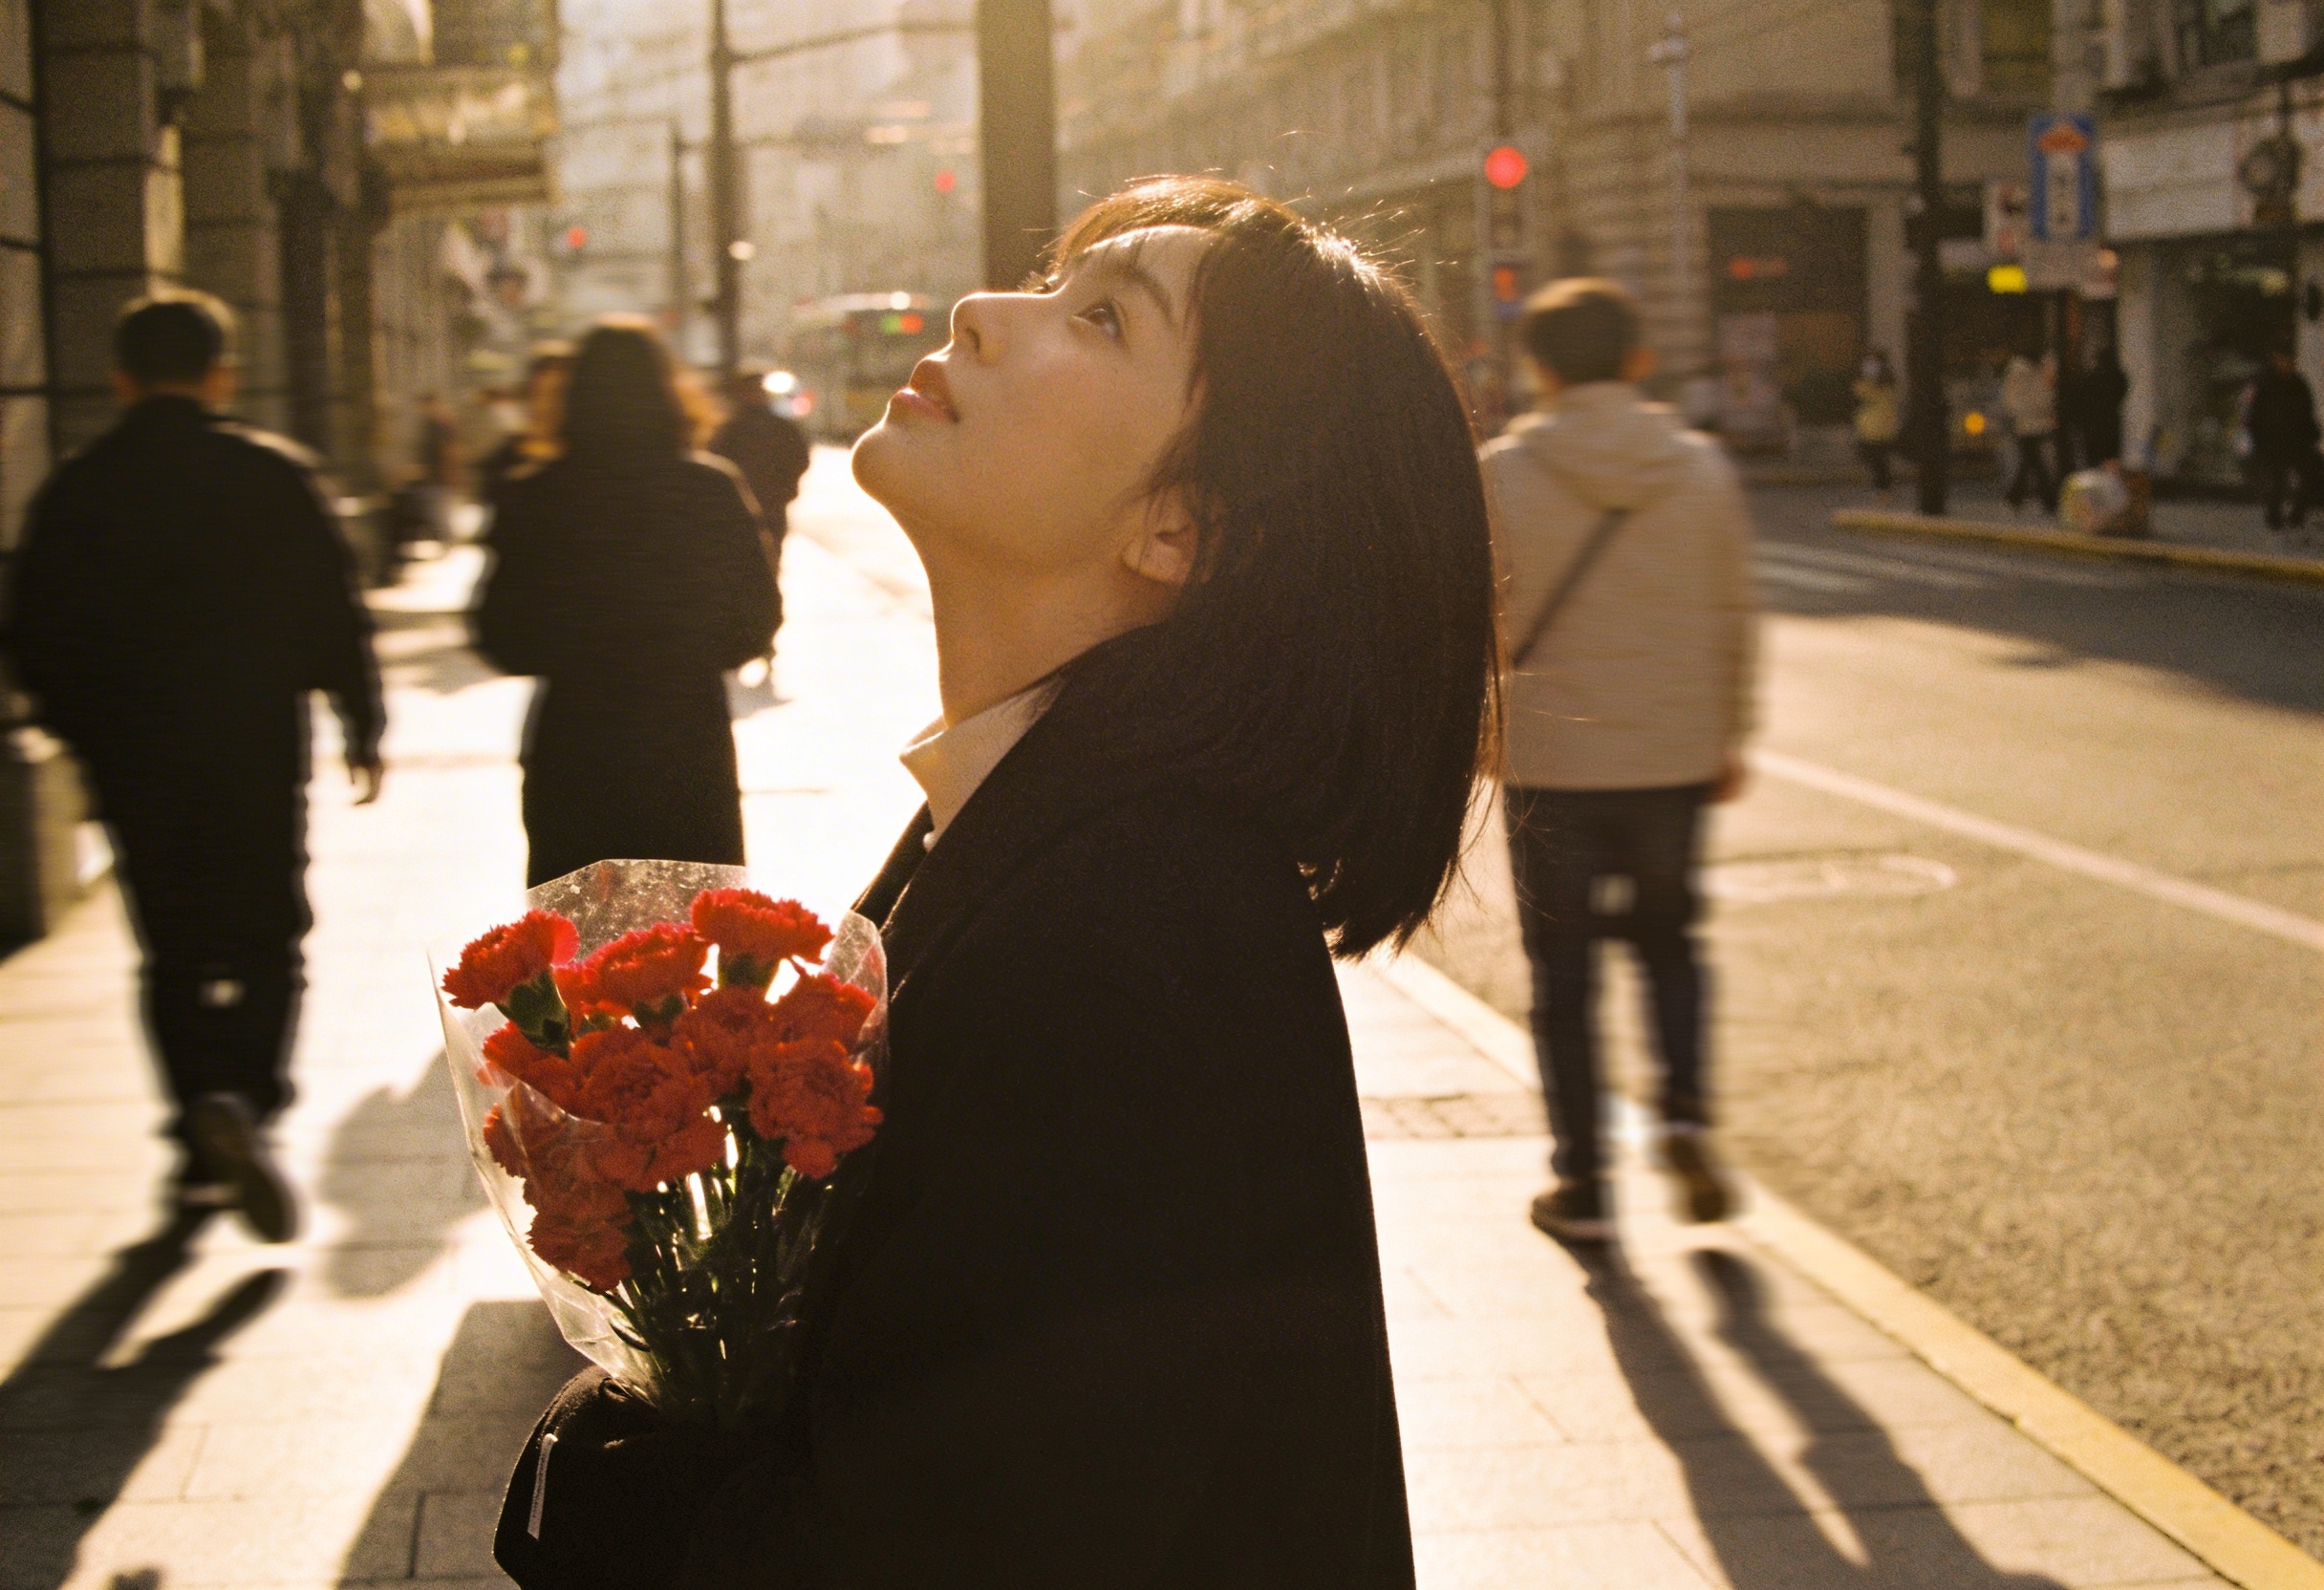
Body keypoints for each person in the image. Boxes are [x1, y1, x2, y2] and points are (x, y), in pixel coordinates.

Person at [492, 176, 1496, 1589]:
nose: (979, 310)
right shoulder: (1057, 832)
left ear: (1183, 530)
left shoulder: (1137, 932)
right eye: (1052, 274)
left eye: (1097, 316)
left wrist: (608, 1489)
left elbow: (949, 1540)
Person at [4, 293, 384, 1241]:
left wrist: (81, 730)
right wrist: (360, 722)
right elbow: (334, 611)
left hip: (137, 754)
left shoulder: (80, 486)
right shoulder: (272, 475)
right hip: (253, 744)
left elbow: (33, 629)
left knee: (171, 941)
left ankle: (194, 1125)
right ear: (222, 373)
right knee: (270, 930)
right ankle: (249, 1096)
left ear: (122, 378)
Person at [1479, 278, 1757, 1245]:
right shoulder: (1698, 468)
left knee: (1561, 975)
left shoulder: (1502, 474)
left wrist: (1477, 727)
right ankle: (1681, 1109)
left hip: (1551, 758)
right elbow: (1732, 616)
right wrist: (1730, 731)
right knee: (1669, 942)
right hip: (1669, 753)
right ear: (1637, 361)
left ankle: (1585, 1182)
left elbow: (1479, 620)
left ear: (1537, 368)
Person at [473, 319, 779, 888]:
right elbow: (757, 619)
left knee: (582, 935)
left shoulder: (536, 495)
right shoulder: (709, 489)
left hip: (576, 741)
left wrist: (582, 648)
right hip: (686, 739)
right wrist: (681, 650)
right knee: (684, 934)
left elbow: (498, 633)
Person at [707, 368, 811, 642]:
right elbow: (800, 459)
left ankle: (753, 629)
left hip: (747, 510)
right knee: (768, 565)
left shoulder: (729, 428)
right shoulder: (778, 426)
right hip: (767, 507)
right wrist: (786, 488)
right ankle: (760, 631)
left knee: (747, 566)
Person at [476, 346, 572, 507]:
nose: (546, 406)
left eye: (557, 396)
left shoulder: (586, 461)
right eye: (539, 394)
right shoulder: (502, 461)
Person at [2245, 345, 2323, 531]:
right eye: (2283, 359)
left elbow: (2307, 413)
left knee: (2313, 475)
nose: (2287, 364)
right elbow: (2254, 417)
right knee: (2277, 482)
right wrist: (2260, 444)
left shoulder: (2299, 384)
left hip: (2298, 443)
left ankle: (2296, 516)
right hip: (2273, 445)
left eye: (2290, 359)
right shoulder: (2264, 384)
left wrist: (2312, 435)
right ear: (2276, 358)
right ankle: (2275, 520)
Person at [2000, 348, 2059, 513]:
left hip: (2028, 423)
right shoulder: (2027, 370)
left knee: (2031, 460)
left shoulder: (2023, 369)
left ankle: (2016, 496)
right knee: (2034, 461)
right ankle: (2046, 499)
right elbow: (2039, 397)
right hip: (2031, 422)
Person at [2071, 343, 2130, 468]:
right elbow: (2122, 391)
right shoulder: (2118, 376)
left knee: (2095, 460)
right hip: (2110, 422)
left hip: (2094, 425)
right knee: (2111, 459)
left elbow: (2081, 399)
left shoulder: (2092, 378)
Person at [1853, 348, 1902, 501]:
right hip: (1871, 429)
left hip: (1878, 429)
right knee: (1877, 461)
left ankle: (1883, 491)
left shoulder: (1882, 385)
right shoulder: (1880, 383)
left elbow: (1861, 391)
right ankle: (1882, 489)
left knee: (1878, 461)